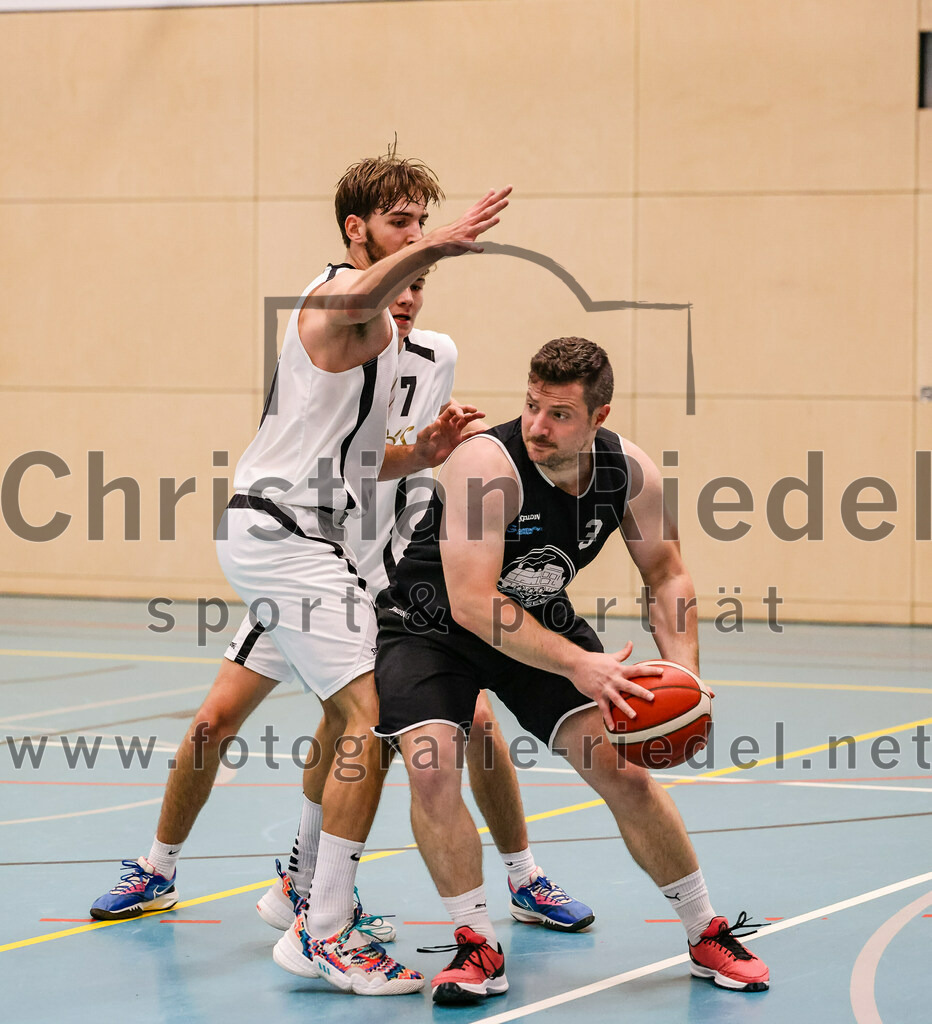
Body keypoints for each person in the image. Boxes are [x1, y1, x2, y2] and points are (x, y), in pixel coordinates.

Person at [93, 150, 510, 997]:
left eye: (421, 223)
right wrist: (443, 246)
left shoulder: (394, 341)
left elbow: (355, 460)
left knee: (347, 715)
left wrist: (420, 454)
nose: (415, 236)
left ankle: (311, 898)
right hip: (283, 535)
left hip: (315, 541)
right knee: (369, 714)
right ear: (356, 230)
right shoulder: (333, 299)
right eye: (400, 222)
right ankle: (321, 930)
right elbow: (356, 299)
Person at [374, 336, 771, 1004]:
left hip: (533, 616)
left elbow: (668, 573)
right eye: (531, 405)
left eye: (558, 413)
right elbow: (473, 603)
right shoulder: (483, 464)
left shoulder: (629, 472)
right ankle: (476, 947)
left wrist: (687, 678)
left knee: (625, 771)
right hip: (431, 626)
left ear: (599, 416)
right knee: (432, 763)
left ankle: (706, 930)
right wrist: (580, 665)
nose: (537, 425)